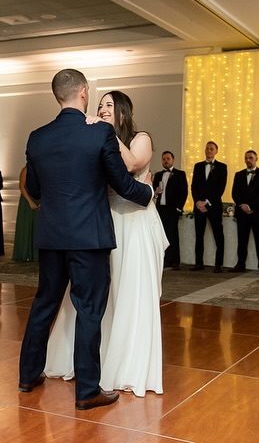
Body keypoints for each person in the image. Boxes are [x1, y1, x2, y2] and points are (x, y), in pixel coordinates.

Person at [18, 70, 153, 412]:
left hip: (51, 237)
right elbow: (122, 184)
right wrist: (149, 192)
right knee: (89, 310)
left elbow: (32, 189)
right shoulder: (99, 133)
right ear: (83, 93)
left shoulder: (37, 137)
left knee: (43, 306)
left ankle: (27, 375)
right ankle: (87, 391)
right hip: (89, 238)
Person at [44, 89, 168, 397]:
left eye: (109, 106)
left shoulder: (141, 137)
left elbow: (131, 165)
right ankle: (98, 364)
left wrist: (106, 132)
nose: (101, 110)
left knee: (133, 292)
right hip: (108, 222)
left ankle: (129, 367)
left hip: (138, 224)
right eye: (99, 106)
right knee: (104, 295)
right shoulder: (100, 140)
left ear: (123, 111)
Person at [190, 141, 228, 273]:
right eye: (207, 149)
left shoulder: (222, 167)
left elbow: (220, 188)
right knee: (199, 235)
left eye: (211, 149)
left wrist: (206, 202)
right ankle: (198, 262)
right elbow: (194, 186)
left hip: (213, 206)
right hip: (199, 206)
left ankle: (219, 264)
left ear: (216, 151)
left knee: (218, 234)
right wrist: (197, 202)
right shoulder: (198, 166)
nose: (209, 151)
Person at [231, 150, 259, 275]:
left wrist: (250, 206)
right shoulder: (239, 175)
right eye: (246, 158)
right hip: (242, 213)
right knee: (242, 240)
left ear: (256, 158)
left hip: (257, 212)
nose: (248, 160)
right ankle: (240, 263)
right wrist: (242, 206)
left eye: (251, 157)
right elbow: (234, 193)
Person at [153, 151, 188, 270]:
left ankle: (175, 260)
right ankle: (165, 259)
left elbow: (183, 192)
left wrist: (178, 208)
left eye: (168, 158)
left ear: (173, 160)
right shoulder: (158, 175)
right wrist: (156, 193)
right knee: (162, 235)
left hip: (172, 209)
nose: (166, 161)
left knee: (173, 234)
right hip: (161, 209)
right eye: (163, 159)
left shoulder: (180, 174)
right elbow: (153, 192)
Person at [12, 165, 40, 262]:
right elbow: (21, 186)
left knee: (39, 227)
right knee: (26, 226)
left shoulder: (44, 168)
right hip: (27, 200)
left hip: (40, 200)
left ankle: (37, 254)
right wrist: (30, 201)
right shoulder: (26, 170)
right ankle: (25, 253)